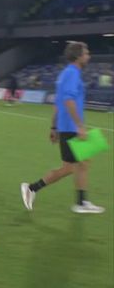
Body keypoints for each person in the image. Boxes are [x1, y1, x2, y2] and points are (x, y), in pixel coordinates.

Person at [20, 42, 104, 214]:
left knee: (81, 163)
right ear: (78, 56)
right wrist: (80, 126)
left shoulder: (66, 74)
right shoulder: (72, 74)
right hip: (72, 127)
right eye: (86, 53)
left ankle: (80, 202)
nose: (88, 56)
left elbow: (57, 103)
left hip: (66, 127)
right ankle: (32, 188)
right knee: (72, 167)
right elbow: (68, 101)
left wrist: (54, 127)